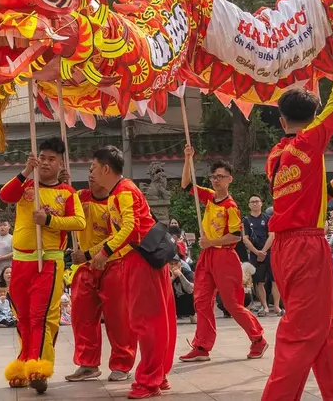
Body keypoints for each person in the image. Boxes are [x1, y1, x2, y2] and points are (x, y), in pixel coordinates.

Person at [259, 19, 333, 401]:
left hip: (285, 247)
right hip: (307, 248)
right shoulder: (311, 142)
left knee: (327, 335)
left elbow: (301, 199)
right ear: (311, 120)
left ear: (281, 120)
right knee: (299, 338)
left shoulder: (275, 157)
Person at [0, 136, 85, 389]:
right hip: (21, 262)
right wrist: (26, 171)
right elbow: (6, 195)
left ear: (61, 163)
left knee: (41, 316)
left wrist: (48, 221)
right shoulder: (27, 186)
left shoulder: (67, 192)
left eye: (52, 159)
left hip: (48, 262)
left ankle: (38, 365)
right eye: (42, 158)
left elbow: (79, 222)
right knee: (22, 316)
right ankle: (24, 361)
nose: (46, 163)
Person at [91, 145, 172, 400]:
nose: (91, 173)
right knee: (155, 319)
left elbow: (129, 229)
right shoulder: (119, 192)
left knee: (145, 322)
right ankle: (158, 373)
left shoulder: (124, 191)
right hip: (138, 259)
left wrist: (103, 252)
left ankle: (149, 381)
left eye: (93, 168)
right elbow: (122, 233)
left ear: (105, 169)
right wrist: (95, 252)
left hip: (141, 261)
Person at [178, 150, 265, 363]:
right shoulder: (208, 196)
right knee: (201, 301)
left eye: (220, 177)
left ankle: (258, 339)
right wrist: (188, 159)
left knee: (232, 303)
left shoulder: (230, 206)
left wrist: (211, 242)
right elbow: (186, 185)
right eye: (213, 177)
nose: (216, 180)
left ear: (229, 179)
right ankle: (201, 346)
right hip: (208, 256)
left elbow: (235, 236)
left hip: (225, 257)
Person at [65, 165, 133, 384]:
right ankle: (88, 364)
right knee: (82, 316)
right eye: (89, 171)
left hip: (114, 263)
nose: (91, 175)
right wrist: (63, 188)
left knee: (118, 318)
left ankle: (122, 363)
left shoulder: (119, 199)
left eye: (96, 170)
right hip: (86, 267)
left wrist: (87, 253)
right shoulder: (80, 197)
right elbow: (60, 210)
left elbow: (121, 234)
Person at [242, 196, 273, 316]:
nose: (255, 204)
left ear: (261, 203)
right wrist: (256, 252)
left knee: (275, 280)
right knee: (258, 281)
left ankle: (276, 306)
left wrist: (264, 251)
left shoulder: (268, 218)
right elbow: (245, 238)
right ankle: (264, 306)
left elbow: (272, 235)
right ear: (249, 205)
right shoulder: (246, 220)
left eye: (257, 201)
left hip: (269, 252)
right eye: (252, 202)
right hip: (255, 254)